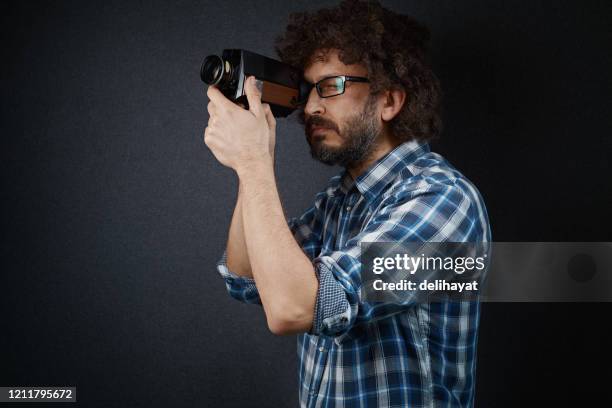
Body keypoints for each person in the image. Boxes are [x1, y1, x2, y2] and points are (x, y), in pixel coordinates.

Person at [204, 1, 491, 406]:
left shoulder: (444, 200)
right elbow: (247, 278)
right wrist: (252, 162)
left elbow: (292, 307)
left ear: (389, 101)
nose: (311, 108)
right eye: (308, 91)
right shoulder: (339, 203)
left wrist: (253, 166)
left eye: (332, 85)